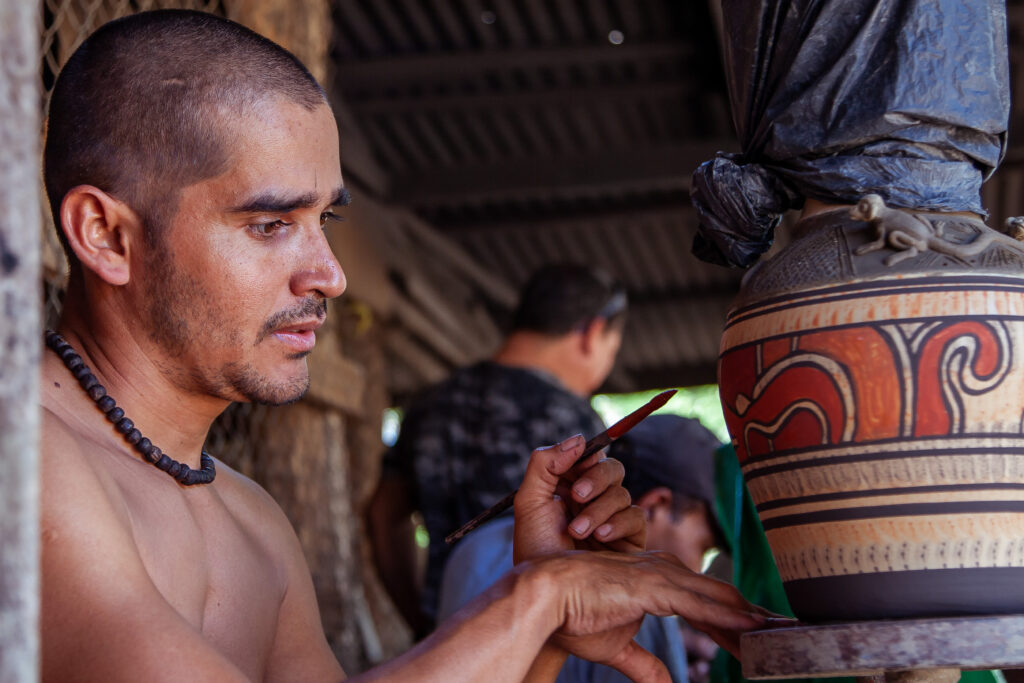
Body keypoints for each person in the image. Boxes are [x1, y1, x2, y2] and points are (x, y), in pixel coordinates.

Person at [39, 10, 774, 682]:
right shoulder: (29, 457)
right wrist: (537, 598)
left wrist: (550, 632)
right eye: (270, 225)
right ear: (107, 236)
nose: (329, 273)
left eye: (325, 218)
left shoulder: (251, 517)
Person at [368, 263, 628, 634]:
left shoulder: (429, 406)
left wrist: (421, 618)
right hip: (541, 640)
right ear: (593, 333)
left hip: (447, 640)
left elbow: (384, 515)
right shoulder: (576, 424)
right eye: (612, 350)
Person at [438, 414, 729, 683]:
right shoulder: (634, 599)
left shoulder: (475, 548)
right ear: (655, 506)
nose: (698, 566)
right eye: (703, 547)